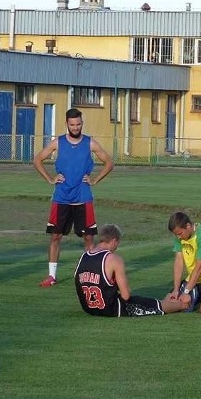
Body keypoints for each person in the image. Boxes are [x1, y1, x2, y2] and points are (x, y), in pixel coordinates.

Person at [33, 108, 114, 287]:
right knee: (55, 236)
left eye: (78, 124)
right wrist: (50, 179)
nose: (75, 127)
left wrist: (94, 180)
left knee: (88, 239)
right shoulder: (58, 143)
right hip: (61, 198)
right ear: (66, 124)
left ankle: (93, 275)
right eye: (72, 125)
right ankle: (52, 277)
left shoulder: (90, 143)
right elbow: (37, 159)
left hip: (83, 198)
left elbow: (109, 162)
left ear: (82, 124)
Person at [75, 224, 189, 317]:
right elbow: (126, 295)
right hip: (112, 309)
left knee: (152, 301)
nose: (116, 247)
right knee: (154, 305)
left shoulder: (83, 257)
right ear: (114, 240)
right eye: (117, 244)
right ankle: (182, 305)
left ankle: (170, 300)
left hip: (89, 308)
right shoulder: (113, 259)